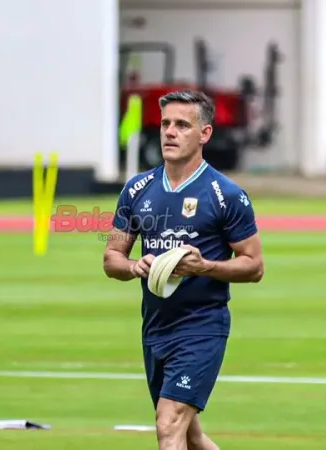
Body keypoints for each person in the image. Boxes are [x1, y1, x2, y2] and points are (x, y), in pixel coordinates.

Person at [103, 90, 264, 450]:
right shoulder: (137, 190)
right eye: (165, 124)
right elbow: (112, 256)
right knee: (190, 437)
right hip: (155, 326)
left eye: (181, 125)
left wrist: (205, 267)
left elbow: (254, 266)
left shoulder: (226, 195)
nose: (170, 132)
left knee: (168, 423)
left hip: (202, 326)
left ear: (205, 134)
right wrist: (133, 266)